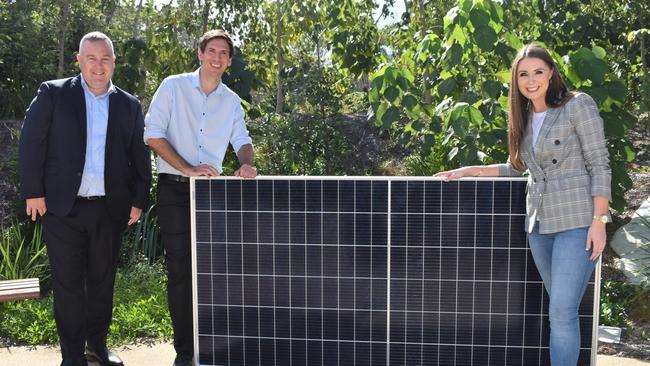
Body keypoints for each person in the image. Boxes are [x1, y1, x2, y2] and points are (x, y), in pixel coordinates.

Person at [435, 44, 610, 366]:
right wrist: (470, 170)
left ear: (552, 73)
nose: (531, 81)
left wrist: (599, 220)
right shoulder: (525, 116)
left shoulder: (577, 105)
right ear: (516, 80)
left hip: (576, 222)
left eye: (538, 72)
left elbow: (600, 164)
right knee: (558, 312)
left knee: (561, 312)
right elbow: (518, 166)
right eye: (523, 74)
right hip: (539, 226)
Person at [19, 31, 151, 366]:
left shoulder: (129, 104)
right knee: (68, 287)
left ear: (114, 63)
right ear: (79, 60)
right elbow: (31, 143)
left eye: (105, 59)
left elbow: (139, 154)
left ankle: (97, 349)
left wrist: (138, 199)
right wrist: (34, 191)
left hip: (109, 210)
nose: (98, 66)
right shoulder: (53, 94)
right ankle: (72, 357)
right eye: (91, 58)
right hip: (62, 209)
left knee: (102, 284)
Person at [144, 29, 256, 366]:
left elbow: (242, 140)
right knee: (180, 272)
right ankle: (185, 352)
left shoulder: (232, 101)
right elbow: (153, 134)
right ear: (200, 53)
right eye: (212, 51)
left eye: (224, 53)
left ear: (229, 61)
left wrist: (247, 163)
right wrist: (189, 167)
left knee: (211, 271)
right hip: (173, 189)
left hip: (211, 195)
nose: (217, 58)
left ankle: (211, 345)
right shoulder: (173, 86)